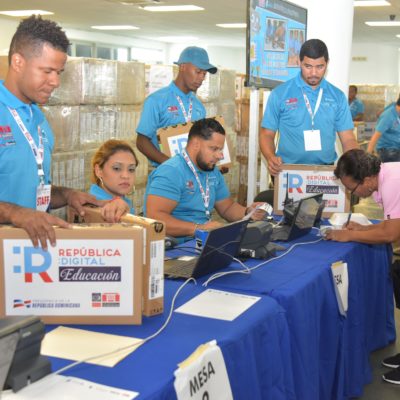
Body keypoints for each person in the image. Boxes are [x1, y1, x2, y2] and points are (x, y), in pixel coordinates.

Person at [0, 15, 127, 250]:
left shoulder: (37, 118)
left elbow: (31, 189)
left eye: (59, 72)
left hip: (29, 256)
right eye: (47, 71)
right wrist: (17, 214)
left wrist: (68, 195)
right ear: (18, 62)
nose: (55, 81)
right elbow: (19, 207)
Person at [324, 149, 400, 385]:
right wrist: (363, 230)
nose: (352, 193)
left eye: (352, 189)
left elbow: (390, 234)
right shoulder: (386, 176)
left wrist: (348, 237)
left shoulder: (393, 182)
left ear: (366, 179)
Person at [144, 118, 265, 240]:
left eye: (221, 149)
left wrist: (248, 212)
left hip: (201, 241)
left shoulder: (212, 171)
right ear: (196, 144)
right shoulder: (171, 171)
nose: (220, 155)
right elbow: (155, 218)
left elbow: (227, 207)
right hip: (174, 247)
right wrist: (197, 228)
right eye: (214, 149)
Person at [259, 38, 358, 176]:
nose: (313, 73)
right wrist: (270, 157)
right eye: (308, 66)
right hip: (287, 170)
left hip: (325, 172)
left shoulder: (338, 97)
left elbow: (348, 138)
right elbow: (266, 134)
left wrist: (354, 164)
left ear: (327, 64)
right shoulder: (280, 94)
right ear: (299, 62)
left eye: (319, 67)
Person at [136, 46, 217, 167]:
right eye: (198, 72)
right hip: (165, 174)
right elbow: (142, 142)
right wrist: (172, 164)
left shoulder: (199, 107)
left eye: (204, 74)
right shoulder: (156, 100)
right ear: (183, 67)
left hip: (193, 175)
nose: (201, 78)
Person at [90, 139, 138, 215]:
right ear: (98, 171)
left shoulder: (123, 201)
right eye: (117, 168)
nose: (126, 176)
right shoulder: (95, 206)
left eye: (131, 169)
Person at [367, 97, 400, 162]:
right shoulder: (388, 116)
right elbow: (376, 136)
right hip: (387, 149)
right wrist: (368, 156)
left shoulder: (397, 112)